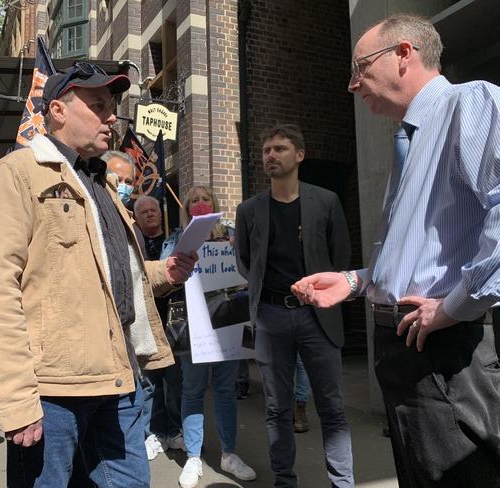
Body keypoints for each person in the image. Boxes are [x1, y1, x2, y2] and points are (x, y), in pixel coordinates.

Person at [0, 62, 196, 487]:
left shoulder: (105, 187)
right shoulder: (13, 175)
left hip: (118, 379)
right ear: (57, 110)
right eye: (97, 106)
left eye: (112, 106)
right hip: (52, 392)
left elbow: (107, 274)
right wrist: (16, 401)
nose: (111, 117)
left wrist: (166, 270)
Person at [293, 14, 500, 487]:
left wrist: (453, 307)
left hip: (441, 350)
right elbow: (420, 253)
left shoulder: (470, 104)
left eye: (360, 66)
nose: (352, 84)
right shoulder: (409, 138)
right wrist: (354, 281)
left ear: (404, 54)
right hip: (410, 347)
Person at [234, 124, 354, 488]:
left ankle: (342, 483)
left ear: (299, 155)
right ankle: (285, 481)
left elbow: (341, 256)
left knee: (331, 406)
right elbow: (243, 260)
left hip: (317, 315)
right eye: (267, 150)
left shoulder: (326, 201)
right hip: (270, 315)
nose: (271, 155)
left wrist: (321, 290)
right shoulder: (250, 210)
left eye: (280, 149)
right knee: (277, 408)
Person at [162, 185, 256, 488]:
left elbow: (250, 268)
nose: (200, 203)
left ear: (214, 204)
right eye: (194, 200)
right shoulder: (176, 238)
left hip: (229, 324)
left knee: (226, 390)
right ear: (187, 208)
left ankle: (229, 453)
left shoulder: (231, 234)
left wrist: (237, 249)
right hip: (194, 328)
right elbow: (162, 277)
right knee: (192, 390)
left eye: (205, 199)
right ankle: (192, 456)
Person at [133, 195, 185, 460]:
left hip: (173, 321)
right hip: (144, 322)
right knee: (151, 384)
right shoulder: (134, 243)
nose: (151, 214)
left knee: (175, 382)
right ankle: (154, 432)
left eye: (154, 210)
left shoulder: (174, 242)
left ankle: (175, 430)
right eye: (144, 211)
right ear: (136, 217)